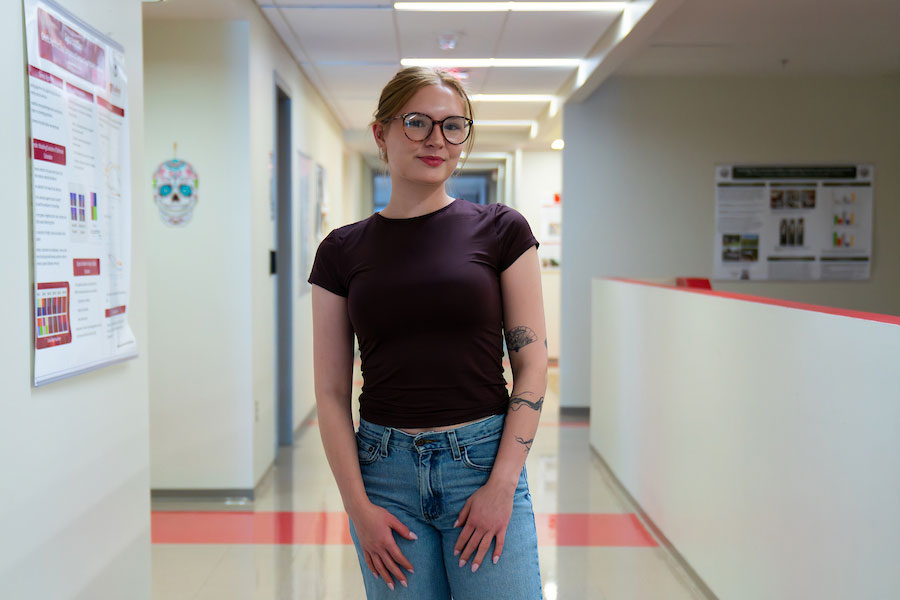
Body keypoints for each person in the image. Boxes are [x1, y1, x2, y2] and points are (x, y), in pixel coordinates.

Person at [309, 66, 547, 599]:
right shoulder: (341, 252)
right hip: (384, 476)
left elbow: (531, 365)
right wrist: (357, 509)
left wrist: (502, 484)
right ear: (381, 133)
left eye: (453, 125)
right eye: (417, 123)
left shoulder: (503, 230)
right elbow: (328, 391)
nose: (437, 139)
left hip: (482, 463)